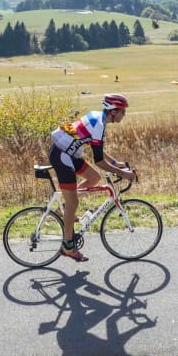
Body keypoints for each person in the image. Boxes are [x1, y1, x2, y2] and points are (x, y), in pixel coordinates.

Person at [48, 93, 136, 261]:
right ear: (113, 112)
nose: (124, 115)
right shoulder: (98, 124)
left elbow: (98, 150)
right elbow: (99, 161)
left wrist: (116, 164)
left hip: (69, 153)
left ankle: (65, 208)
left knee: (94, 177)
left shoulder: (98, 118)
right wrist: (123, 173)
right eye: (122, 112)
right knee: (74, 203)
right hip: (62, 156)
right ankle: (67, 246)